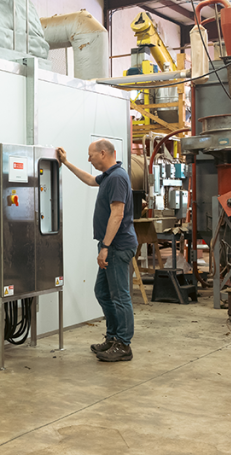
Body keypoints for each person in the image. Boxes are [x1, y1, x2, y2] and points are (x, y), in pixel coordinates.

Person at [57, 139, 138, 362]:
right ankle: (113, 337)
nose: (89, 159)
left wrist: (105, 247)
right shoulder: (109, 176)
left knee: (120, 297)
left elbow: (117, 214)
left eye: (91, 155)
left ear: (103, 153)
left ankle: (124, 344)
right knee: (103, 292)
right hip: (112, 246)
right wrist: (66, 163)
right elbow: (91, 180)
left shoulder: (118, 178)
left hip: (117, 247)